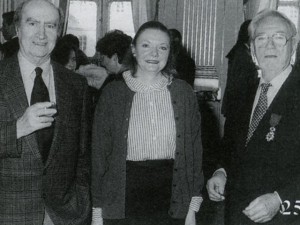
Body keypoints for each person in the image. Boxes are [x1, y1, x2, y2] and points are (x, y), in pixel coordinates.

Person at [91, 21, 204, 225]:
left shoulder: (183, 92)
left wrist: (191, 208)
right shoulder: (112, 93)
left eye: (162, 47)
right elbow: (99, 155)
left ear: (170, 53)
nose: (155, 54)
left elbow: (194, 153)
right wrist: (98, 213)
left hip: (172, 197)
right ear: (133, 50)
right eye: (146, 45)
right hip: (124, 198)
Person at [0, 0, 91, 224]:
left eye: (50, 26)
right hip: (7, 212)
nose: (41, 34)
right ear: (18, 29)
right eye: (32, 23)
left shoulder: (76, 84)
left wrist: (81, 202)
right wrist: (17, 129)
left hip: (64, 214)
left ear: (58, 32)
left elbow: (83, 154)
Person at [207, 10, 300, 225]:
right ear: (252, 50)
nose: (269, 45)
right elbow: (231, 148)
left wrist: (280, 199)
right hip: (237, 215)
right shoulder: (243, 94)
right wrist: (221, 172)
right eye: (261, 38)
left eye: (278, 37)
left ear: (293, 46)